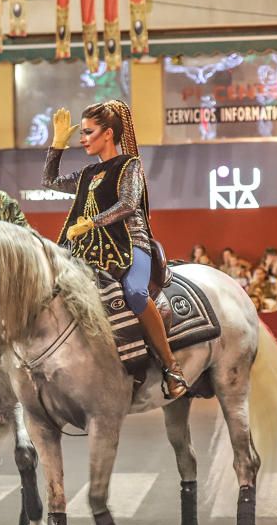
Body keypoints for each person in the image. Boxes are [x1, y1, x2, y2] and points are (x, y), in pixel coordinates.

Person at [44, 100, 188, 399]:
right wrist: (57, 145)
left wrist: (90, 223)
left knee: (135, 292)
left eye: (88, 132)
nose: (82, 138)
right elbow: (48, 181)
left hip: (131, 244)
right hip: (90, 249)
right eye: (80, 133)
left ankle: (171, 365)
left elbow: (128, 204)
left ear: (108, 134)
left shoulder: (129, 165)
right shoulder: (87, 173)